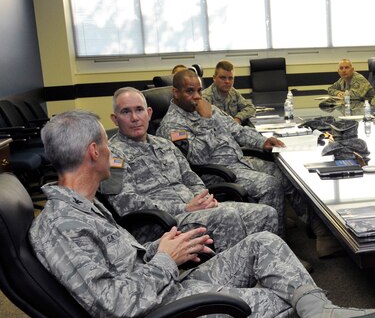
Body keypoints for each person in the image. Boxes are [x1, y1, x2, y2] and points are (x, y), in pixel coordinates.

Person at [30, 109, 375, 318]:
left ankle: (320, 310)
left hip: (162, 293)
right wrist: (166, 261)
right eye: (108, 145)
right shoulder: (63, 226)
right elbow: (114, 307)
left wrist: (160, 246)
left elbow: (120, 265)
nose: (113, 151)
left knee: (263, 243)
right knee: (278, 301)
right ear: (94, 152)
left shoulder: (80, 206)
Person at [156, 69, 340, 257]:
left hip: (239, 161)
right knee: (270, 185)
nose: (196, 97)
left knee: (285, 171)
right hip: (216, 172)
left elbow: (237, 130)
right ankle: (278, 255)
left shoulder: (204, 107)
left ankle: (321, 233)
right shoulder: (173, 126)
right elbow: (197, 159)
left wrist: (262, 141)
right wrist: (206, 121)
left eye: (198, 91)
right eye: (189, 91)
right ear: (176, 92)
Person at [103, 87, 278, 252]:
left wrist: (203, 199)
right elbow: (126, 205)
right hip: (159, 224)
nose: (134, 117)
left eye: (139, 110)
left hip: (193, 209)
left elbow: (190, 177)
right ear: (114, 118)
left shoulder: (163, 144)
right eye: (126, 112)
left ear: (149, 114)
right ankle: (230, 277)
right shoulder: (111, 157)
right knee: (227, 216)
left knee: (265, 213)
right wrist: (184, 207)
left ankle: (261, 271)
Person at [202, 59, 256, 125]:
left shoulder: (233, 93)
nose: (227, 81)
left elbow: (250, 108)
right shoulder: (205, 98)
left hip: (234, 130)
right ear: (214, 78)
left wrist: (238, 118)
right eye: (223, 78)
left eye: (230, 78)